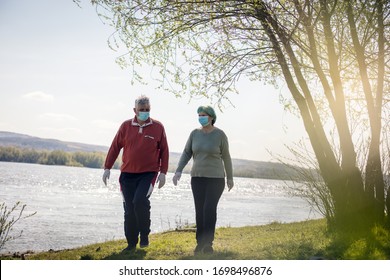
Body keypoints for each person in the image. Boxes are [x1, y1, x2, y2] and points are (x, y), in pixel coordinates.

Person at [102, 95, 169, 251]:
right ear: (135, 110)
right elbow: (115, 147)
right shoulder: (125, 126)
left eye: (147, 110)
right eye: (141, 110)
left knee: (139, 201)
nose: (145, 112)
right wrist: (107, 167)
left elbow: (164, 151)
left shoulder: (158, 127)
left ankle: (144, 234)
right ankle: (131, 243)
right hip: (127, 175)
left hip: (148, 174)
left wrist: (163, 172)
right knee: (129, 209)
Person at [172, 105, 234, 254]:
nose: (201, 117)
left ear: (211, 117)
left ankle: (208, 243)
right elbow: (187, 152)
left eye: (204, 115)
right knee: (200, 210)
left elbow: (226, 157)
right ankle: (200, 242)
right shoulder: (194, 134)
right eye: (199, 115)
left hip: (216, 179)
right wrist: (178, 171)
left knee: (209, 209)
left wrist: (230, 178)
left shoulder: (220, 135)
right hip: (197, 178)